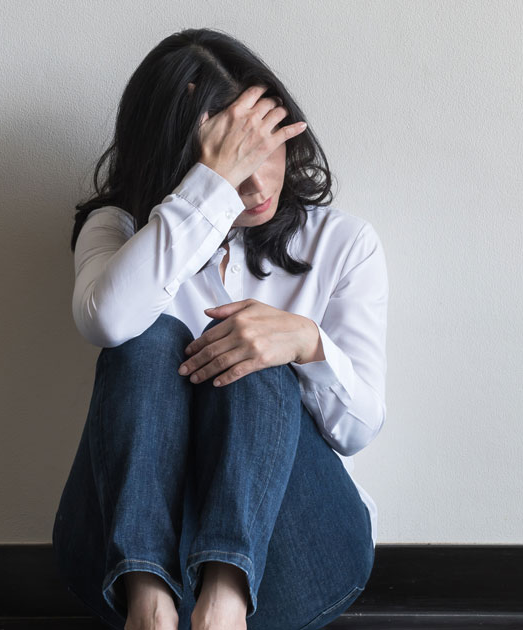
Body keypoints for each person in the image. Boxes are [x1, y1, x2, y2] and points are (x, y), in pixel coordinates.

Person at [51, 27, 387, 630]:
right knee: (148, 337)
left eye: (267, 149)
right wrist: (207, 191)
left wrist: (305, 342)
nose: (257, 185)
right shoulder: (118, 230)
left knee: (255, 355)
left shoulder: (343, 244)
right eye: (233, 160)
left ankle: (223, 607)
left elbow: (359, 429)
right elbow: (105, 320)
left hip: (299, 554)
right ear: (182, 163)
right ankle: (150, 608)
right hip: (124, 561)